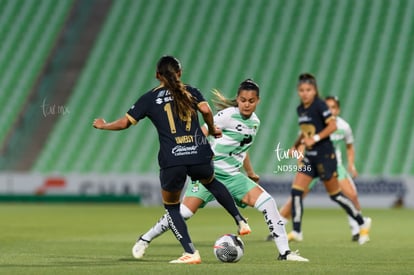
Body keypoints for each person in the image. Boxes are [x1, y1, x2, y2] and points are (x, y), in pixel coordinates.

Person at [92, 55, 251, 264]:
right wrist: (212, 129)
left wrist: (104, 125)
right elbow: (205, 109)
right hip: (199, 153)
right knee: (211, 182)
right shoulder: (191, 91)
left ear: (157, 75)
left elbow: (124, 123)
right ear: (180, 73)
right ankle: (240, 220)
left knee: (172, 207)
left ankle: (191, 253)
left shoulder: (149, 98)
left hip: (172, 158)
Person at [132, 79, 309, 262]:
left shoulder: (255, 122)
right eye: (243, 100)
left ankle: (285, 253)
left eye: (251, 101)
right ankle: (145, 239)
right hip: (210, 174)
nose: (247, 104)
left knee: (268, 203)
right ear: (238, 100)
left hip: (233, 176)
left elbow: (243, 148)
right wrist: (199, 157)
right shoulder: (226, 115)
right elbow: (200, 133)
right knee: (183, 213)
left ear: (258, 101)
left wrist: (250, 172)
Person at [286, 73, 371, 245]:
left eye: (308, 90)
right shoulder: (300, 109)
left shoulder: (320, 105)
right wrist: (296, 145)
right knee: (296, 191)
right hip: (310, 157)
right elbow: (305, 130)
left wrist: (315, 139)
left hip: (326, 156)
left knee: (336, 196)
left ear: (315, 90)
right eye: (301, 90)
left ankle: (362, 222)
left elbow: (332, 126)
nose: (305, 93)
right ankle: (296, 231)